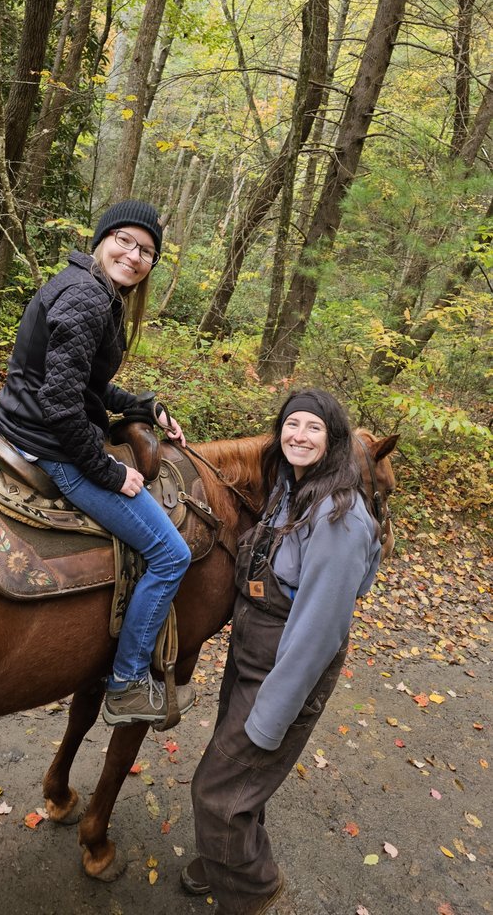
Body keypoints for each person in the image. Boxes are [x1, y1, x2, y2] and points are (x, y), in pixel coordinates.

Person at [0, 199, 194, 727]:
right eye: (125, 240)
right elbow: (63, 404)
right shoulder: (88, 296)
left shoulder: (89, 287)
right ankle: (126, 683)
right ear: (103, 239)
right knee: (171, 554)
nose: (134, 255)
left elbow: (84, 383)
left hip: (24, 424)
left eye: (146, 251)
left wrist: (145, 407)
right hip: (52, 444)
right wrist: (109, 472)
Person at [181, 388, 382, 915]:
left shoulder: (339, 518)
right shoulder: (289, 489)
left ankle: (255, 893)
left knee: (218, 794)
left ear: (334, 440)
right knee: (242, 781)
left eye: (314, 427)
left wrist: (273, 714)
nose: (300, 435)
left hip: (285, 670)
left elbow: (317, 634)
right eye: (292, 423)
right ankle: (224, 856)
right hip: (251, 656)